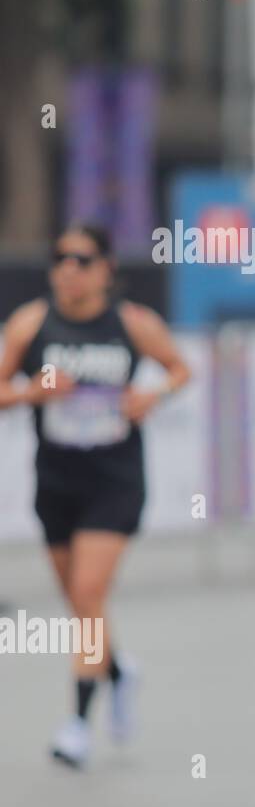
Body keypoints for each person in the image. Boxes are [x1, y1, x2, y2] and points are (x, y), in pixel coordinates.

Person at [0, 223, 191, 767]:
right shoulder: (31, 323)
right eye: (60, 257)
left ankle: (77, 724)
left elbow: (181, 369)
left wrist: (152, 395)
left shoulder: (133, 324)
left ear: (106, 269)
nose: (68, 269)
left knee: (87, 592)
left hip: (115, 481)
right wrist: (31, 392)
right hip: (56, 481)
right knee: (82, 605)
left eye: (82, 259)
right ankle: (117, 670)